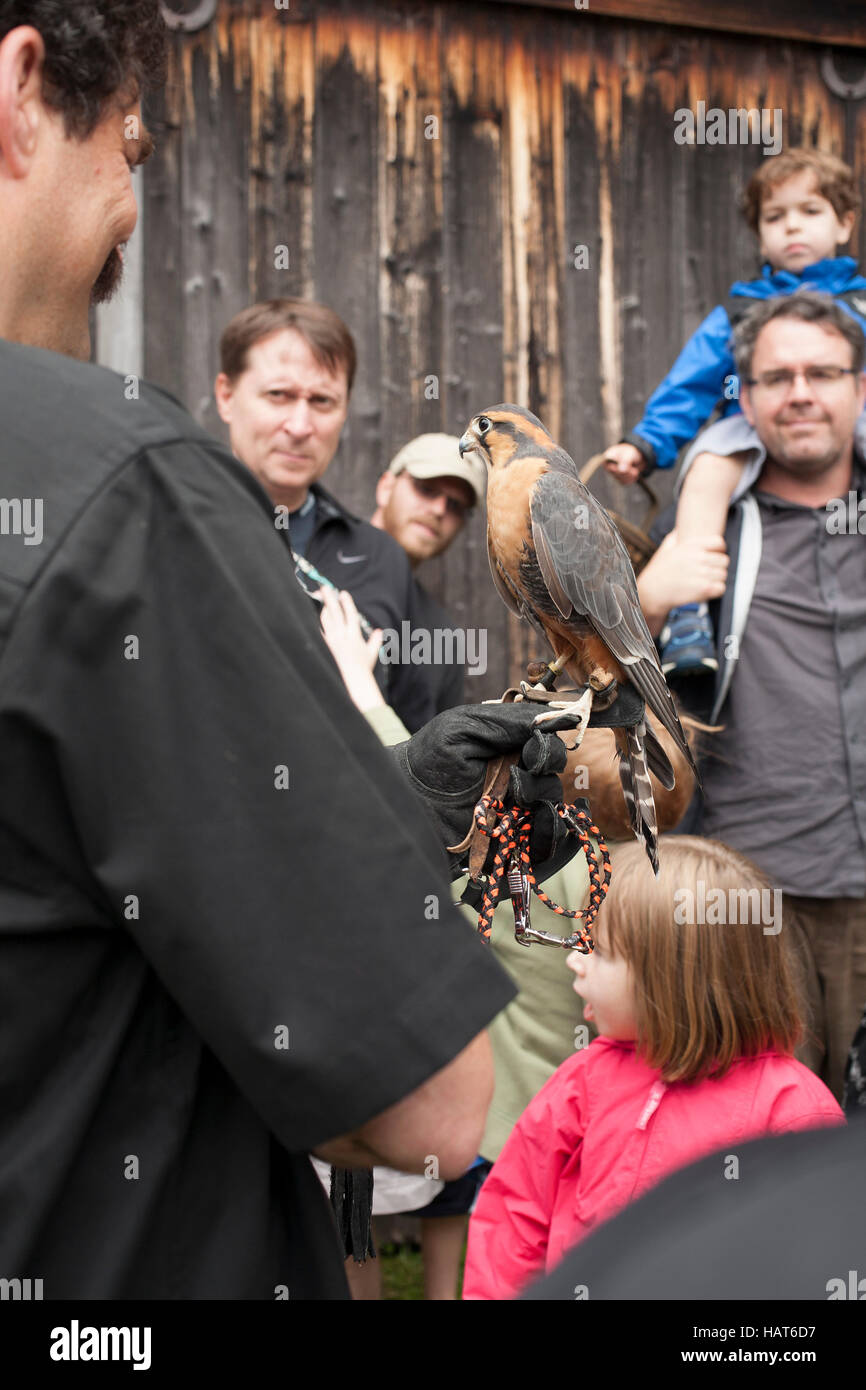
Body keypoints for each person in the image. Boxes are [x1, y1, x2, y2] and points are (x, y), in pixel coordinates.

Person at [0, 1, 594, 1299]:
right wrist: (365, 854)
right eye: (132, 156)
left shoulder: (372, 559)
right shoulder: (124, 487)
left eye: (326, 398)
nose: (128, 215)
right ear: (23, 87)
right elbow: (424, 1103)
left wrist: (396, 805)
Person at [637, 291, 866, 1103]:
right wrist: (651, 601)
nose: (800, 392)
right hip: (750, 893)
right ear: (747, 399)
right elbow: (581, 689)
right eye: (776, 377)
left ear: (859, 388)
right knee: (763, 1150)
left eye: (823, 372)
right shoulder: (706, 528)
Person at [462, 836, 843, 1301]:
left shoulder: (794, 1110)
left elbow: (816, 1248)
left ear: (669, 978)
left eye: (597, 950)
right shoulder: (583, 1079)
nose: (573, 962)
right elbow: (517, 1213)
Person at [604, 147, 865, 676]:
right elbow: (691, 384)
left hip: (850, 431)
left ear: (844, 223)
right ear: (760, 233)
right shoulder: (740, 311)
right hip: (746, 431)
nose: (793, 225)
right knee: (706, 469)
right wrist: (645, 444)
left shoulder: (860, 305)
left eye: (809, 211)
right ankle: (690, 610)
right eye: (776, 216)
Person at [214, 298, 431, 732]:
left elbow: (414, 743)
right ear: (227, 396)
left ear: (345, 410)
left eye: (322, 401)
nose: (299, 425)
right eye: (279, 395)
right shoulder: (171, 526)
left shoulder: (381, 559)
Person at [370, 433, 487, 727]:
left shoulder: (442, 638)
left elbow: (432, 764)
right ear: (386, 487)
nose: (438, 510)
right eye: (426, 489)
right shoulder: (315, 562)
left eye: (455, 506)